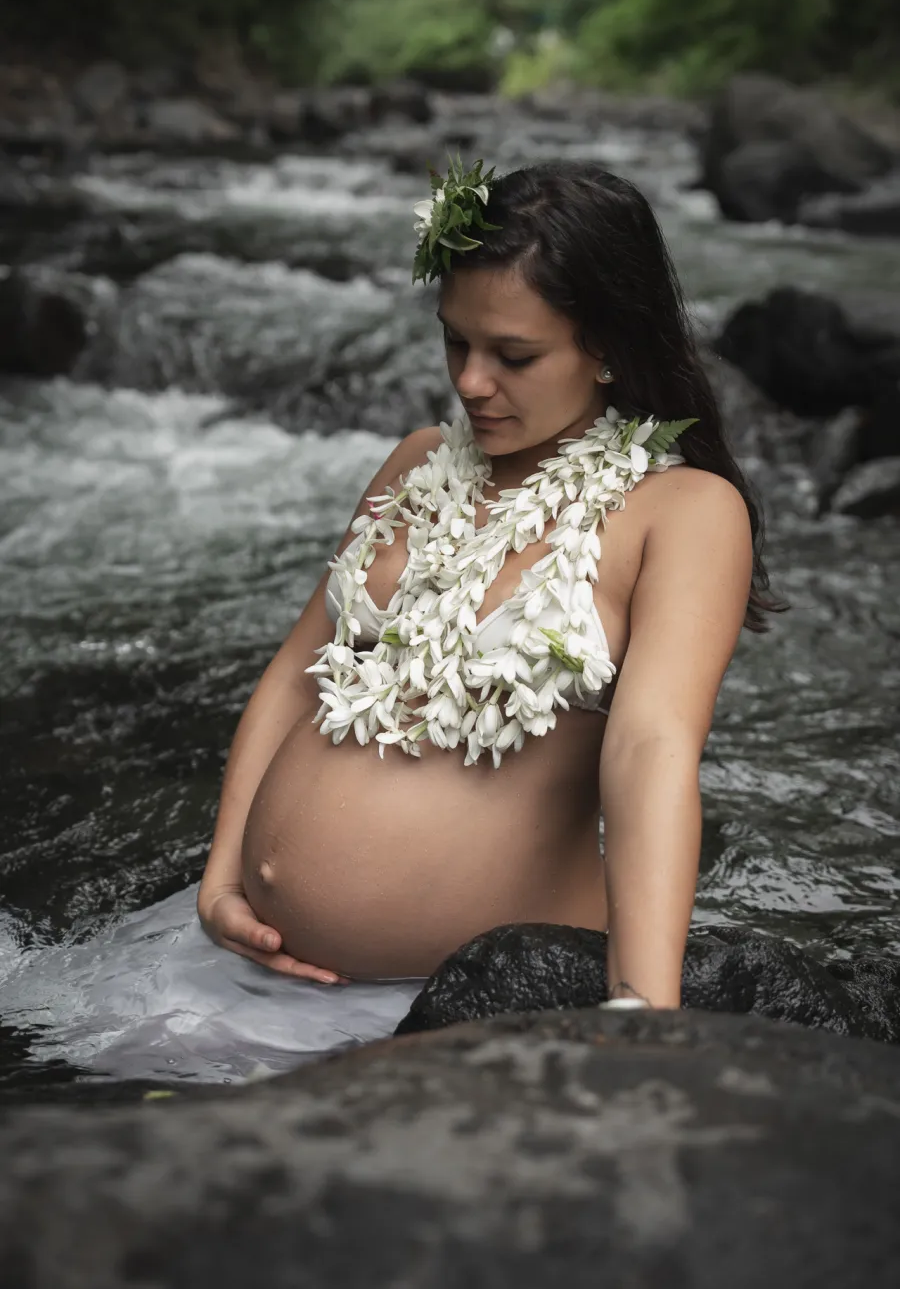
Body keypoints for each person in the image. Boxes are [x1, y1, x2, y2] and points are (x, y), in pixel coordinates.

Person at [197, 158, 782, 1021]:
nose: (471, 381)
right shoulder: (416, 462)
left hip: (457, 1004)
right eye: (455, 341)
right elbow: (294, 676)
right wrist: (220, 884)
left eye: (514, 354)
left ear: (611, 346)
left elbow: (651, 750)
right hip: (247, 961)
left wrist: (642, 1010)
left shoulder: (683, 510)